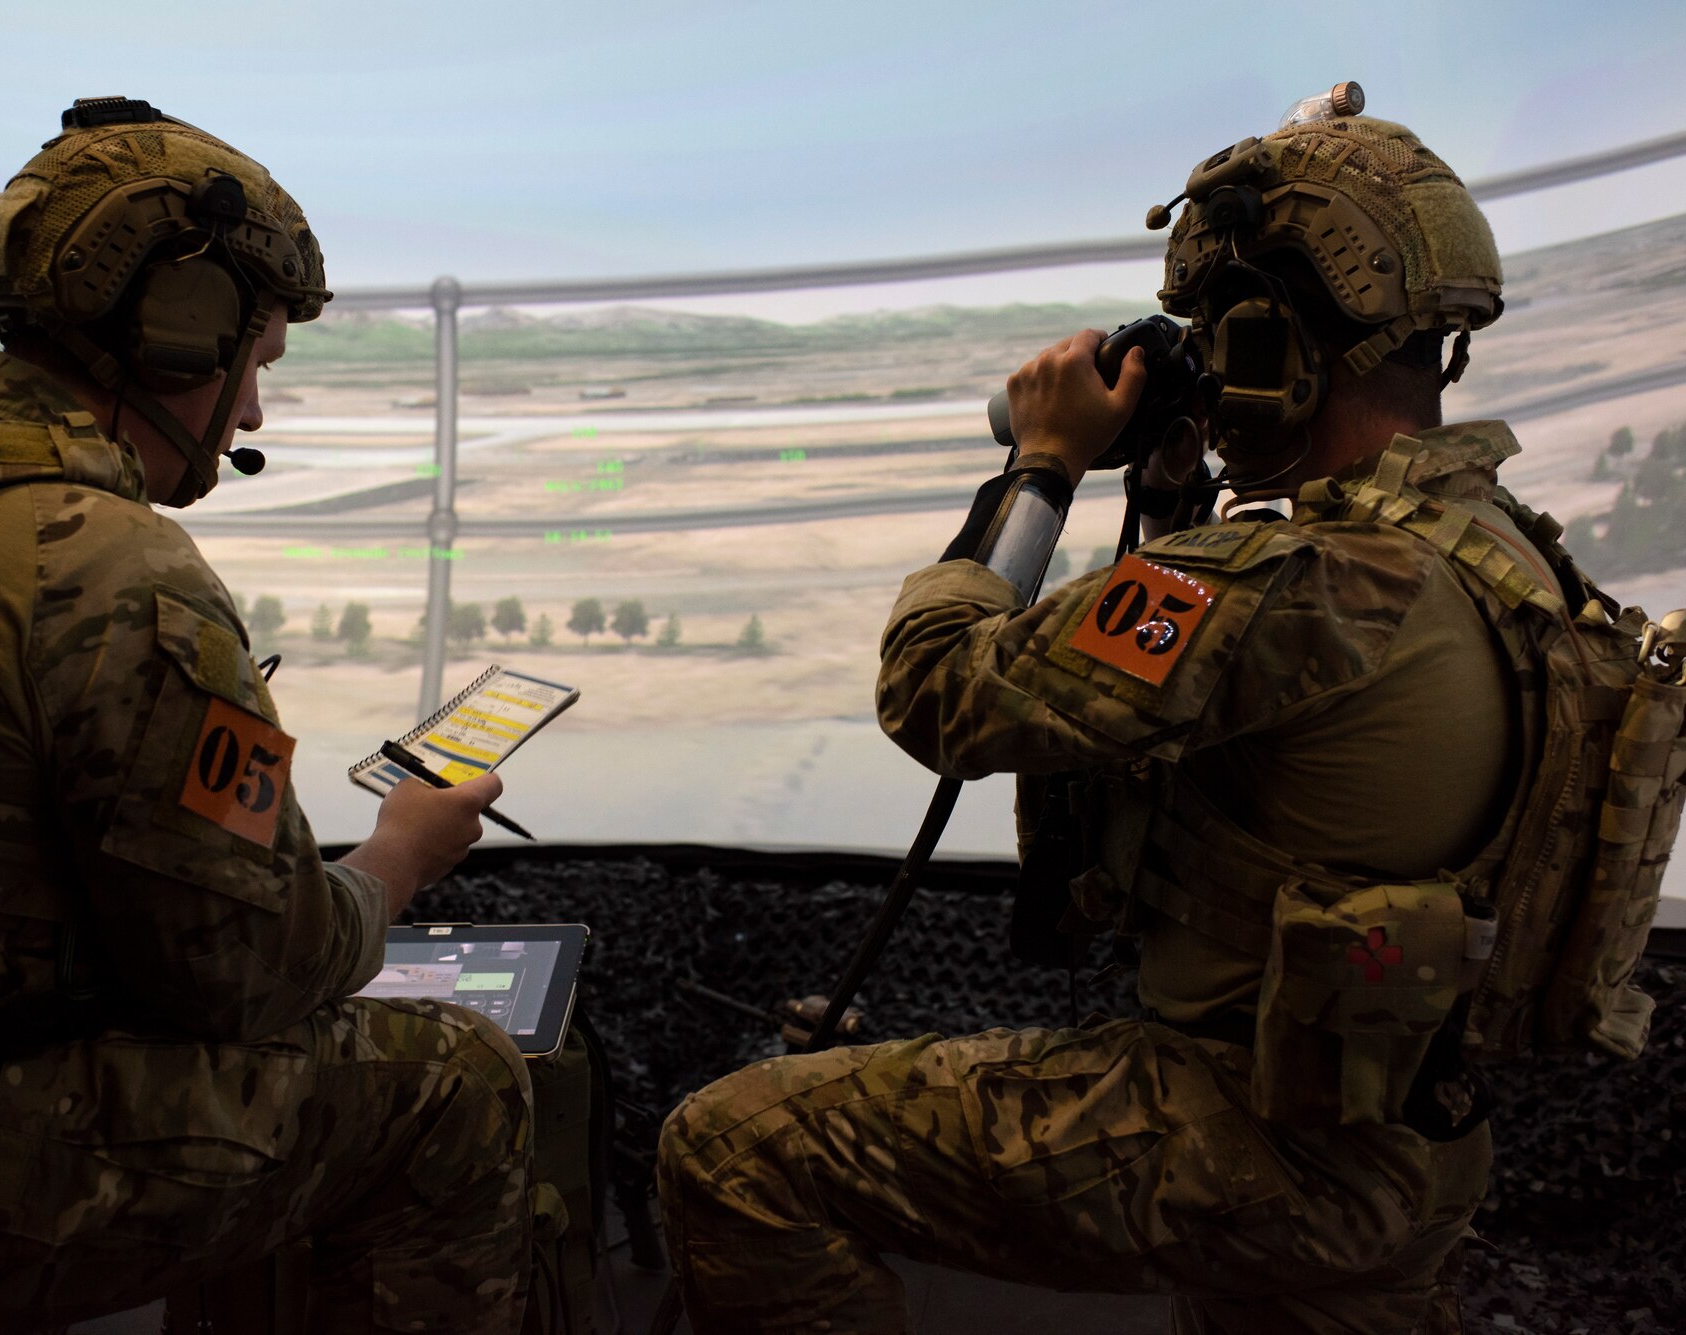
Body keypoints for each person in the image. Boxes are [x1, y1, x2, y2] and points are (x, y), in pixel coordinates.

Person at [656, 109, 1636, 1333]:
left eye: (1211, 339)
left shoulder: (1305, 578)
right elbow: (1207, 693)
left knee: (739, 1147)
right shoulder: (1500, 554)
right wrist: (1173, 505)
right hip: (1400, 1131)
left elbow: (939, 693)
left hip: (1252, 1139)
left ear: (1262, 338)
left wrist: (1040, 467)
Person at [0, 98, 531, 1334]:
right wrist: (397, 856)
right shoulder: (100, 561)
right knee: (452, 1086)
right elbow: (247, 973)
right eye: (255, 366)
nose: (248, 415)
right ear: (181, 332)